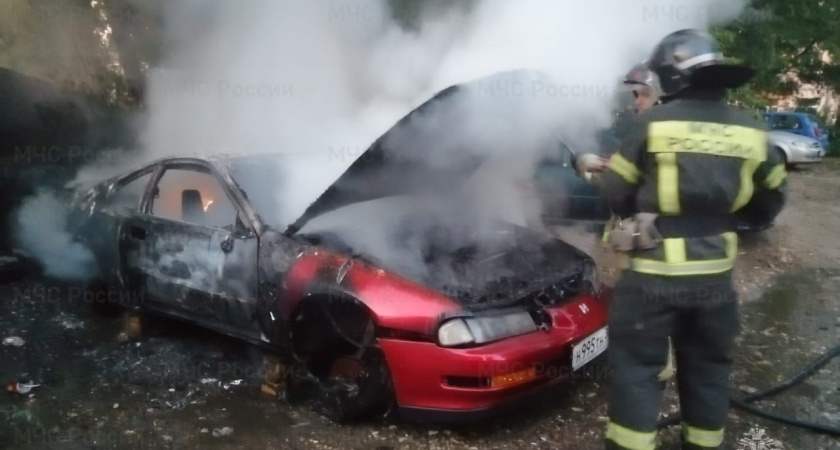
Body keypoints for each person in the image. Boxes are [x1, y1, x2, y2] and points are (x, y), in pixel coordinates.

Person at [597, 29, 787, 450]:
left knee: (637, 370)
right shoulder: (751, 131)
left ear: (671, 77)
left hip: (651, 279)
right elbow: (772, 198)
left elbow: (615, 192)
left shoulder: (653, 124)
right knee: (708, 369)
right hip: (715, 280)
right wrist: (726, 221)